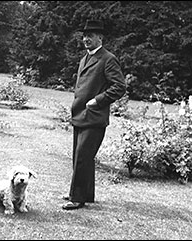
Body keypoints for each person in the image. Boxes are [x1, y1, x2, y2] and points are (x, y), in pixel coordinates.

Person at [62, 20, 126, 210]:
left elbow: (119, 87)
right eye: (84, 35)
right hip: (80, 114)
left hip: (94, 117)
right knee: (78, 156)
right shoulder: (85, 58)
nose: (86, 39)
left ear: (101, 37)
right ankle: (79, 193)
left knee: (83, 156)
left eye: (90, 35)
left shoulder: (108, 59)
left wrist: (98, 100)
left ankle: (78, 198)